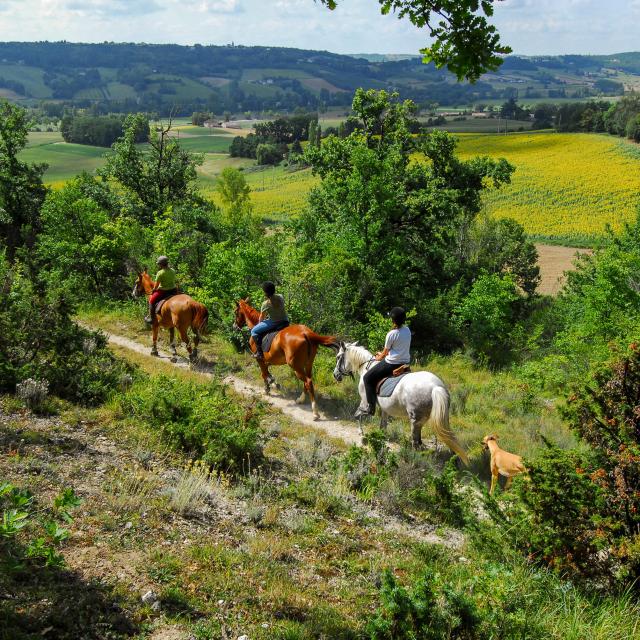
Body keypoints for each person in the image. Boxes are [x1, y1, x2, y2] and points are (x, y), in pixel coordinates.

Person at [356, 306, 411, 417]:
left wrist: (378, 356)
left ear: (393, 320)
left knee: (367, 378)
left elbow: (384, 354)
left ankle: (370, 408)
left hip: (391, 364)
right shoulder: (407, 330)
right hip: (405, 363)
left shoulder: (391, 334)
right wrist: (382, 354)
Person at [251, 281, 289, 360]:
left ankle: (259, 353)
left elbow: (262, 317)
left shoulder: (265, 304)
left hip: (274, 323)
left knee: (254, 331)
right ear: (274, 289)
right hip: (285, 320)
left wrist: (259, 324)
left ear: (265, 292)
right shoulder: (281, 296)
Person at [145, 256, 178, 324]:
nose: (158, 265)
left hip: (163, 291)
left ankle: (151, 319)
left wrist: (154, 290)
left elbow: (156, 286)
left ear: (161, 264)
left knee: (151, 301)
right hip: (173, 290)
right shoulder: (173, 270)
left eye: (159, 264)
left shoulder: (160, 273)